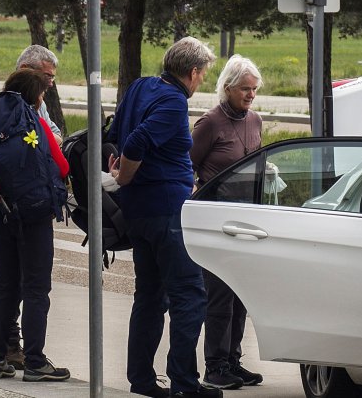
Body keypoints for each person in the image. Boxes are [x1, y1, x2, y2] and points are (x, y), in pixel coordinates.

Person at [107, 37, 219, 398]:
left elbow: (115, 134)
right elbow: (137, 142)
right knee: (189, 295)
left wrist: (120, 170)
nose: (201, 82)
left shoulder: (141, 86)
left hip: (137, 210)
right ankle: (185, 382)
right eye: (202, 75)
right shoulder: (172, 101)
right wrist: (124, 173)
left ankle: (141, 379)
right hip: (167, 209)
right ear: (192, 72)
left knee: (150, 296)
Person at [0, 43, 64, 369]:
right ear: (33, 85)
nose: (47, 88)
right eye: (45, 82)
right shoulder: (32, 121)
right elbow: (61, 165)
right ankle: (35, 362)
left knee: (7, 286)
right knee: (37, 288)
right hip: (34, 213)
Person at [190, 55, 265, 389]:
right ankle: (215, 364)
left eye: (254, 89)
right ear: (228, 87)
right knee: (219, 296)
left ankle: (233, 360)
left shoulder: (255, 120)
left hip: (247, 222)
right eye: (244, 89)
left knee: (240, 297)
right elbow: (186, 165)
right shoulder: (210, 122)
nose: (250, 95)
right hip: (217, 221)